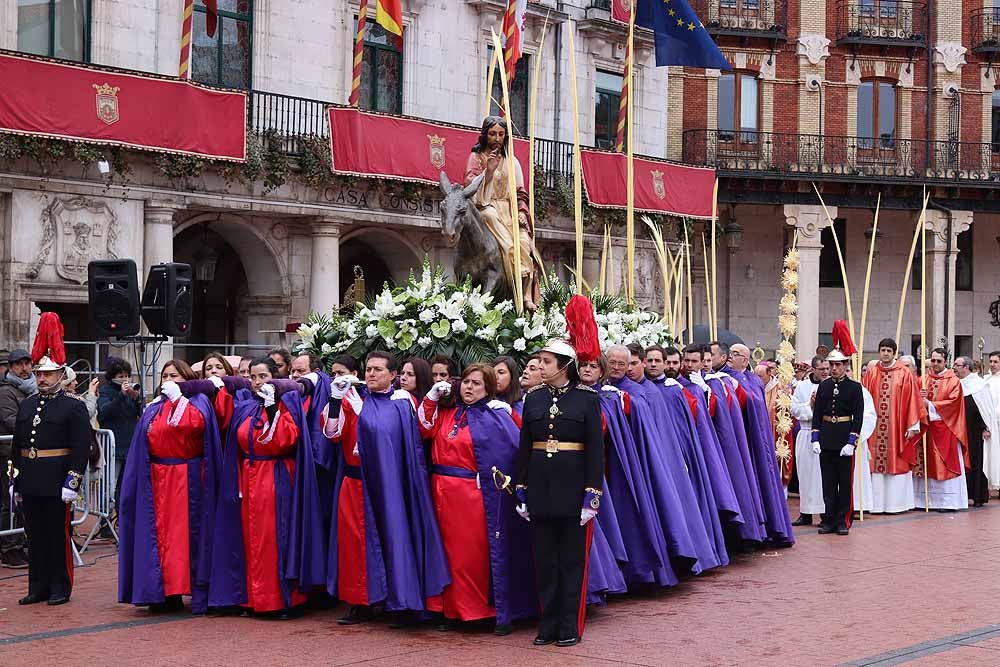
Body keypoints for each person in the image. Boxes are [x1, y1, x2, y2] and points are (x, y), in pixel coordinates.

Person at [324, 351, 449, 626]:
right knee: (356, 544)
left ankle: (400, 602)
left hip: (392, 485)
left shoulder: (402, 402)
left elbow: (420, 434)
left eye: (378, 369)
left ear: (393, 375)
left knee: (395, 538)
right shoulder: (351, 399)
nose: (371, 374)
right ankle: (362, 603)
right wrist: (334, 400)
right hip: (356, 483)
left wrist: (430, 399)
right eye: (368, 369)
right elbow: (332, 434)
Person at [417, 364, 534, 634]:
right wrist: (432, 398)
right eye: (467, 382)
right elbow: (423, 429)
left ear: (488, 388)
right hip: (440, 494)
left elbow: (513, 453)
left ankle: (478, 611)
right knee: (443, 554)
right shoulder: (447, 413)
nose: (469, 387)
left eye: (477, 384)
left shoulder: (497, 416)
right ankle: (449, 610)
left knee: (470, 557)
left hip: (472, 497)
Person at [515, 298, 603, 648]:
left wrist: (591, 495)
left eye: (546, 361)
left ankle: (569, 625)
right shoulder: (533, 399)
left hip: (572, 490)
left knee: (571, 562)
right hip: (540, 488)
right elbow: (525, 447)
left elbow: (596, 451)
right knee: (545, 562)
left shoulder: (587, 399)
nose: (540, 365)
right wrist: (521, 488)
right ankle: (547, 623)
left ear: (563, 365)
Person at [211, 356, 325, 619]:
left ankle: (282, 600)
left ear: (275, 377)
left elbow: (285, 439)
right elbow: (237, 444)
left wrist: (273, 409)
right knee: (250, 540)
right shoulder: (246, 406)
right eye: (253, 377)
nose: (257, 382)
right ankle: (254, 599)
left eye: (263, 376)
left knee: (276, 538)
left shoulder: (288, 404)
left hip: (275, 476)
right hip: (249, 478)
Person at [117, 361, 224, 613]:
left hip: (185, 477)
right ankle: (158, 590)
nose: (168, 380)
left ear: (185, 378)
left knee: (180, 538)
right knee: (157, 538)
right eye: (165, 375)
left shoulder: (196, 401)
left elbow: (193, 425)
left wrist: (179, 400)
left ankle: (180, 589)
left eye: (174, 375)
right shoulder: (155, 405)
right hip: (155, 478)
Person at [12, 350, 90, 605]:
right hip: (31, 479)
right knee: (34, 537)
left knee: (57, 536)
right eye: (39, 374)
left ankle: (60, 586)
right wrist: (14, 480)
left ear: (60, 374)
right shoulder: (28, 403)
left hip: (57, 481)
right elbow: (17, 446)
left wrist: (72, 481)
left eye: (48, 373)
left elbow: (80, 448)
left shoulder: (73, 405)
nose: (42, 378)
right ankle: (38, 586)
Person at [465, 116, 542, 312]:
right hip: (486, 207)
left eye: (501, 134)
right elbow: (470, 188)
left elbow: (520, 192)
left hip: (510, 210)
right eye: (492, 134)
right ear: (485, 135)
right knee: (492, 219)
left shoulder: (512, 161)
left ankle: (525, 293)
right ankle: (508, 253)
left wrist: (523, 212)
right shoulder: (477, 158)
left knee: (524, 241)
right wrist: (488, 172)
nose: (497, 138)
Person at [861, 338, 923, 513]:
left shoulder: (904, 373)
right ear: (879, 352)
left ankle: (896, 504)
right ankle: (874, 505)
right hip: (874, 427)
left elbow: (913, 400)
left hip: (897, 428)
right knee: (874, 463)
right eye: (883, 350)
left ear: (894, 353)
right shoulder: (871, 373)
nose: (885, 353)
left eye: (889, 350)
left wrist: (912, 425)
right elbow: (863, 398)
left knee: (896, 460)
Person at [811, 348, 865, 535]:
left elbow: (858, 417)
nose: (833, 368)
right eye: (831, 365)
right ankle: (829, 519)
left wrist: (851, 442)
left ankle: (843, 520)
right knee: (828, 482)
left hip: (844, 438)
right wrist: (815, 439)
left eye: (837, 365)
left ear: (845, 366)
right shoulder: (824, 386)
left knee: (844, 482)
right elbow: (817, 413)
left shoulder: (855, 388)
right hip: (826, 437)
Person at [914, 349, 968, 511]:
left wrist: (929, 405)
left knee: (943, 464)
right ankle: (923, 501)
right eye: (933, 361)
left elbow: (953, 404)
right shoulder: (924, 379)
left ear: (946, 362)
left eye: (939, 361)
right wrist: (919, 394)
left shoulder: (953, 381)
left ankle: (948, 502)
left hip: (946, 429)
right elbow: (913, 401)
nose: (935, 364)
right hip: (927, 429)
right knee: (926, 463)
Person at [0, 348, 34, 568]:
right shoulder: (6, 392)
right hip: (8, 453)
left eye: (27, 364)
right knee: (8, 501)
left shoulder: (31, 389)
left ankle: (20, 542)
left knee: (21, 501)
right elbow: (12, 420)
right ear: (11, 367)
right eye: (19, 365)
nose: (24, 369)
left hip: (26, 453)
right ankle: (9, 547)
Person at [789, 356, 830, 526]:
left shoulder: (831, 386)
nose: (826, 372)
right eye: (822, 369)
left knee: (823, 476)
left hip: (825, 434)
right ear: (813, 369)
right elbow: (794, 409)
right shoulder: (802, 387)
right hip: (806, 433)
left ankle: (825, 514)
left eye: (827, 368)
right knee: (805, 475)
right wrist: (810, 406)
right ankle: (805, 513)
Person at [98, 357, 141, 512]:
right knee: (109, 485)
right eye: (121, 376)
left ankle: (121, 517)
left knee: (125, 485)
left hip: (129, 446)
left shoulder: (131, 393)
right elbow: (104, 412)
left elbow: (140, 414)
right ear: (112, 376)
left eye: (127, 375)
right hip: (113, 447)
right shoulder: (105, 391)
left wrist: (136, 400)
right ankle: (105, 519)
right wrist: (121, 396)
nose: (125, 379)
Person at [953, 356, 996, 506]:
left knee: (976, 460)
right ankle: (965, 493)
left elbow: (985, 408)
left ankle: (978, 495)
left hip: (975, 430)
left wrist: (985, 427)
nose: (955, 368)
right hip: (960, 428)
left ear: (966, 367)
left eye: (957, 365)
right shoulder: (956, 383)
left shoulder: (979, 384)